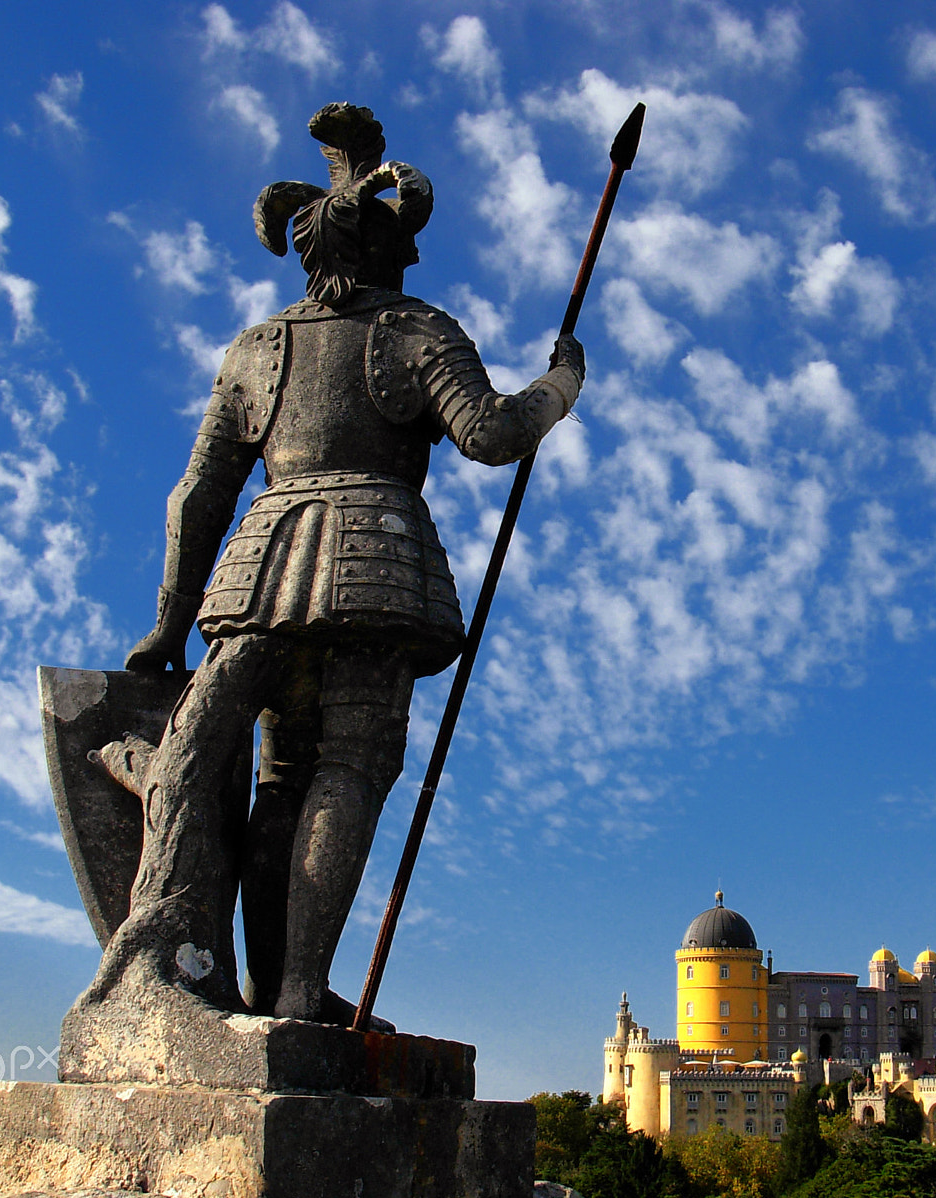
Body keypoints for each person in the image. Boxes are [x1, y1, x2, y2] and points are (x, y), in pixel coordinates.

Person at [89, 103, 583, 1023]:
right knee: (348, 768)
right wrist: (562, 386)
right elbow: (490, 433)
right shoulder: (417, 328)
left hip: (258, 573)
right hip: (372, 571)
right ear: (389, 249)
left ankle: (250, 984)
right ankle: (294, 991)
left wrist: (167, 621)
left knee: (279, 773)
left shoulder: (255, 348)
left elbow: (196, 496)